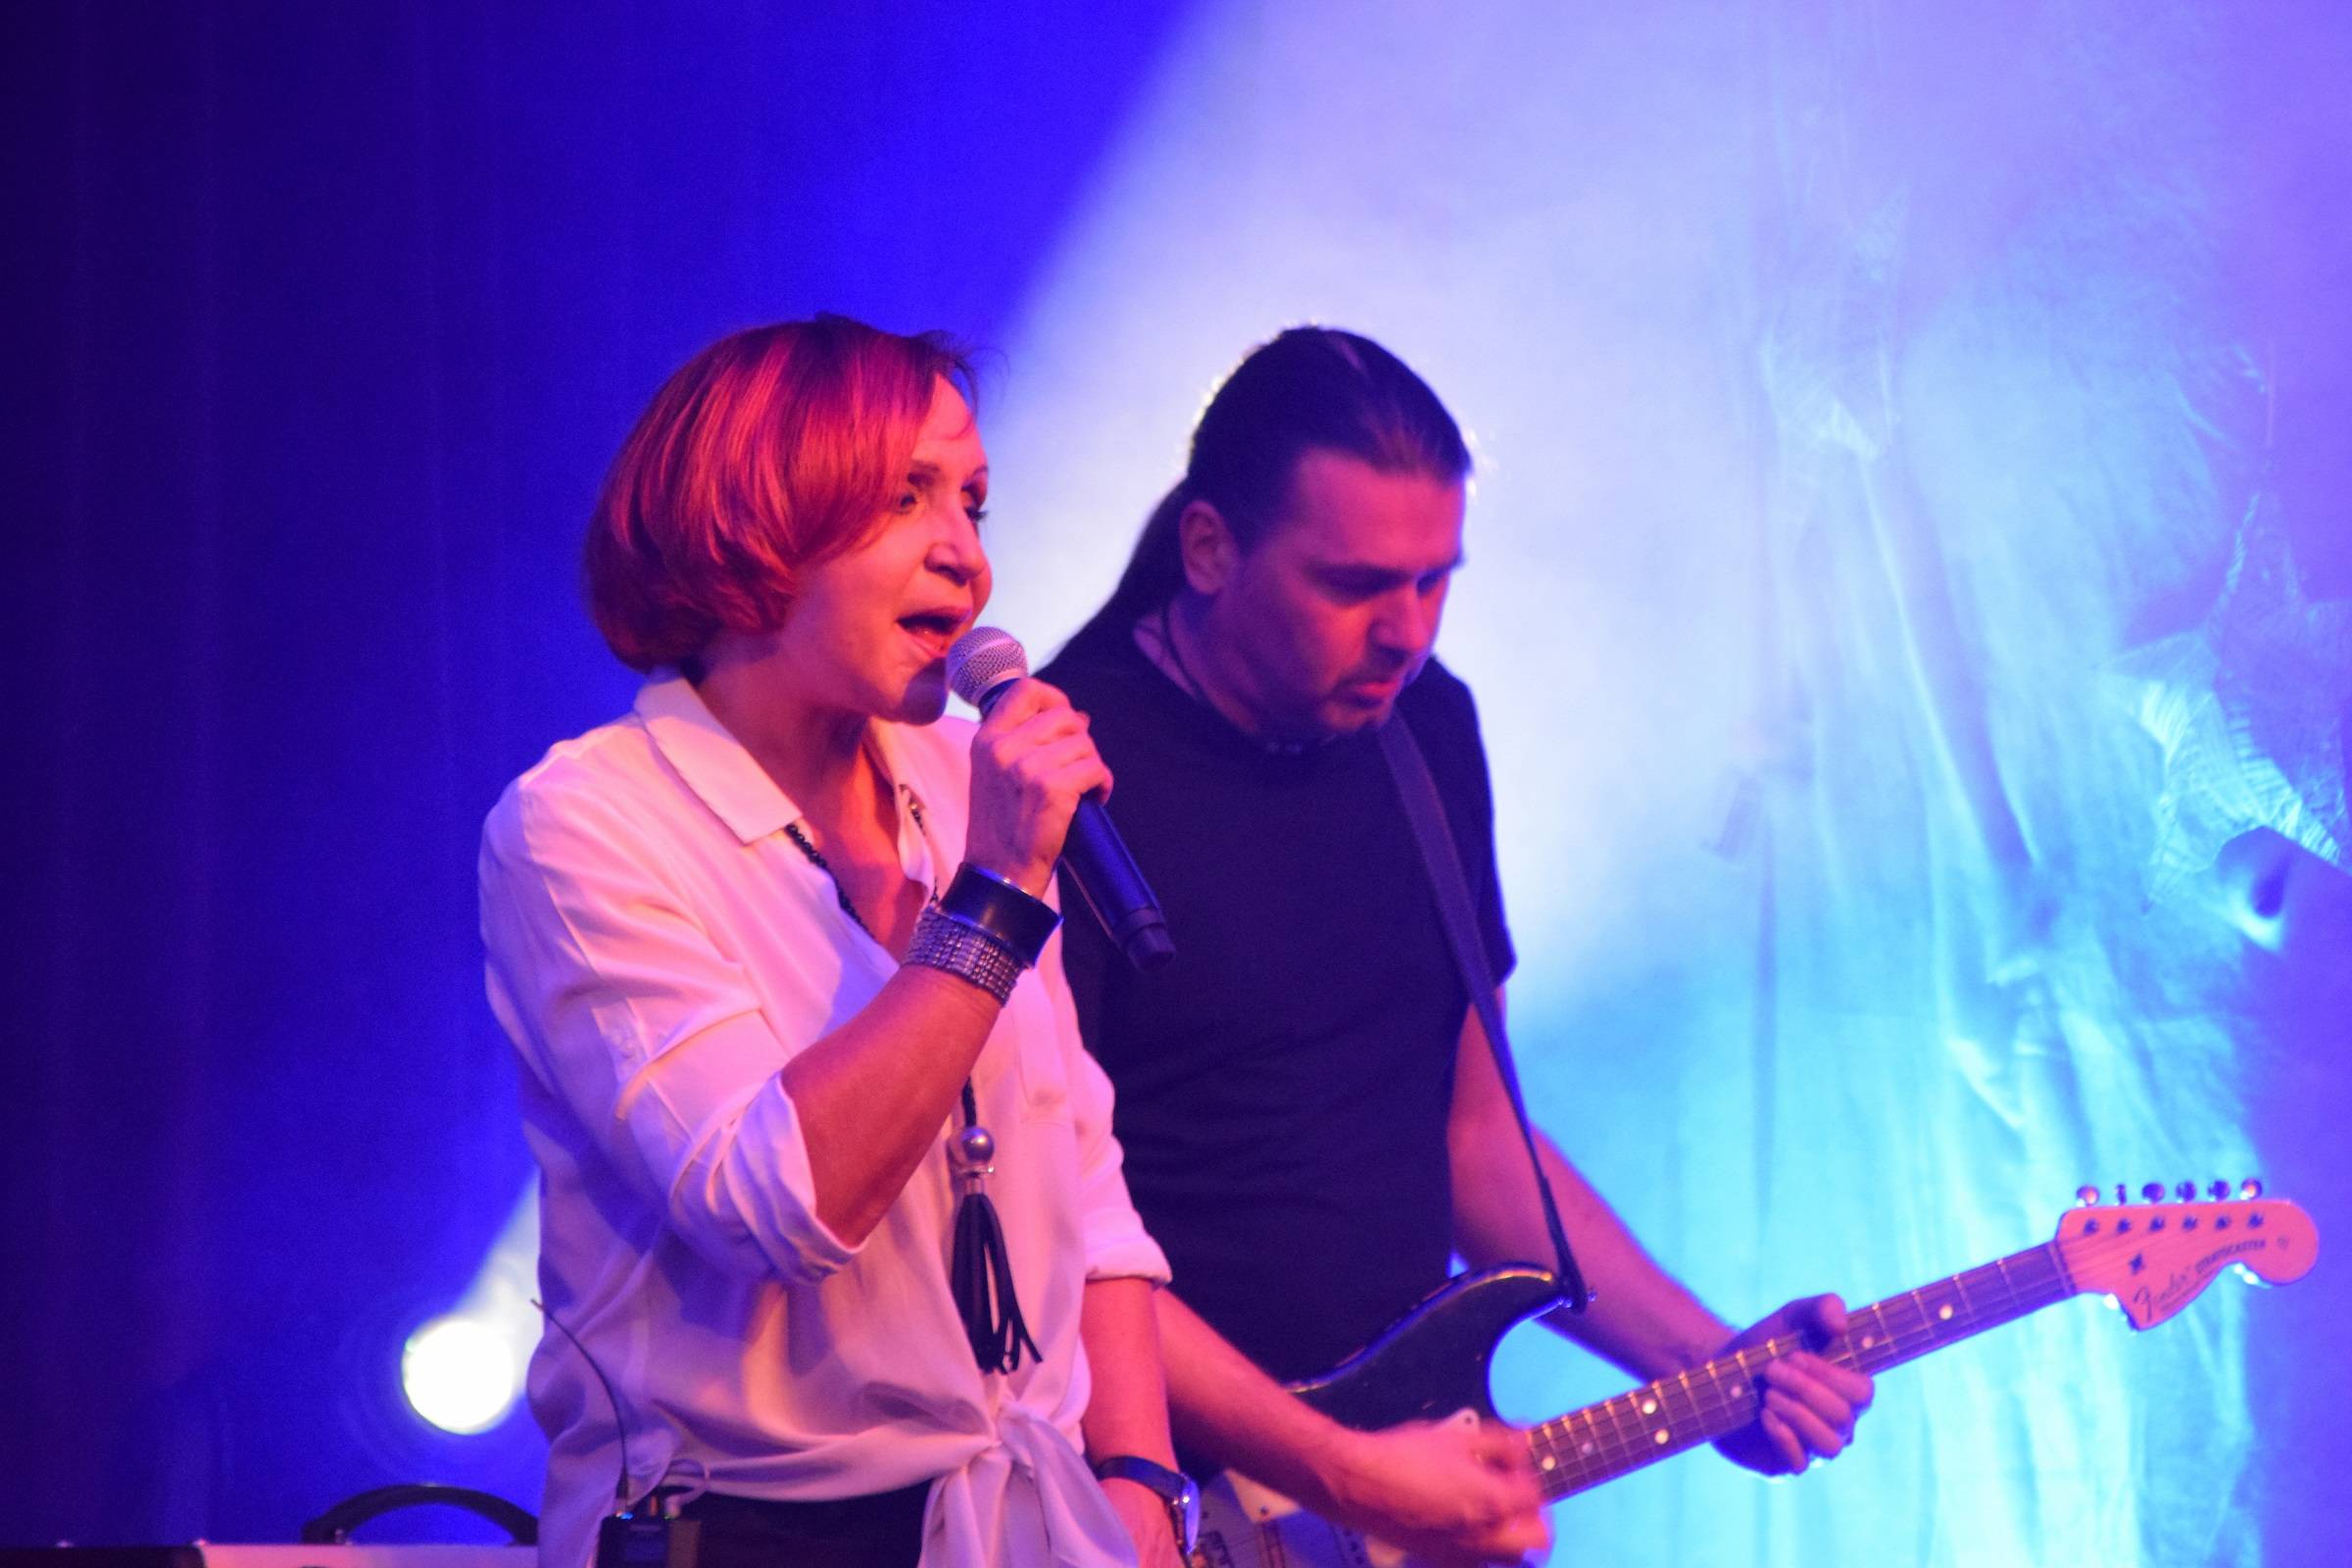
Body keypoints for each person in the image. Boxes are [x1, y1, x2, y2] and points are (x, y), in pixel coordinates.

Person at [1039, 326, 1876, 1564]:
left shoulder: (1425, 731)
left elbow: (1477, 1141)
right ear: (1208, 547)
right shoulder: (1063, 771)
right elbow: (1049, 1233)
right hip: (1164, 1504)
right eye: (1354, 585)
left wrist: (1712, 1364)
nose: (1407, 631)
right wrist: (1330, 1466)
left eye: (1435, 581)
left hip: (1403, 1483)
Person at [479, 317, 1190, 1568]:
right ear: (752, 521)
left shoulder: (961, 778)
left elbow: (1086, 1177)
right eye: (905, 497)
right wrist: (996, 892)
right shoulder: (586, 821)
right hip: (746, 1536)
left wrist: (1140, 1477)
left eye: (973, 502)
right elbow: (768, 1206)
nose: (966, 555)